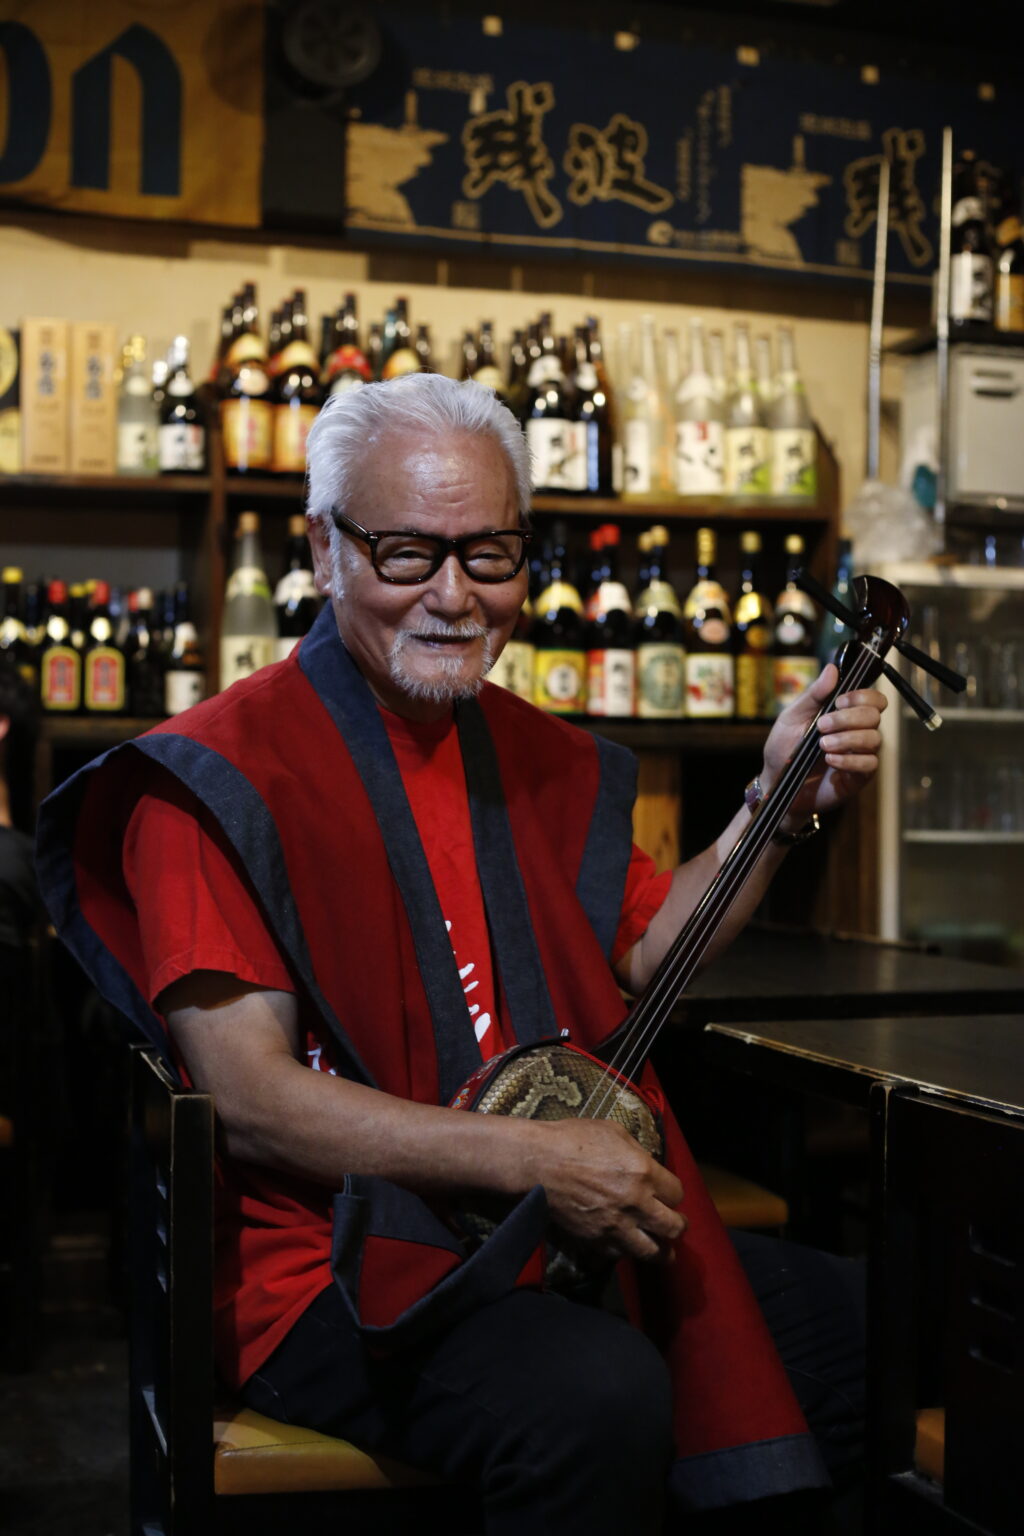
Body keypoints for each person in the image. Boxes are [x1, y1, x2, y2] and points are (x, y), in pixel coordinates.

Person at [37, 374, 886, 1534]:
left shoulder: (537, 757)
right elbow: (252, 1103)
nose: (454, 596)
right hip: (327, 1263)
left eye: (490, 555)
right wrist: (529, 1158)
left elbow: (649, 952)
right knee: (597, 1398)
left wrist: (777, 803)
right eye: (406, 553)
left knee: (874, 1324)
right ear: (324, 551)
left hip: (542, 1229)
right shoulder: (214, 780)